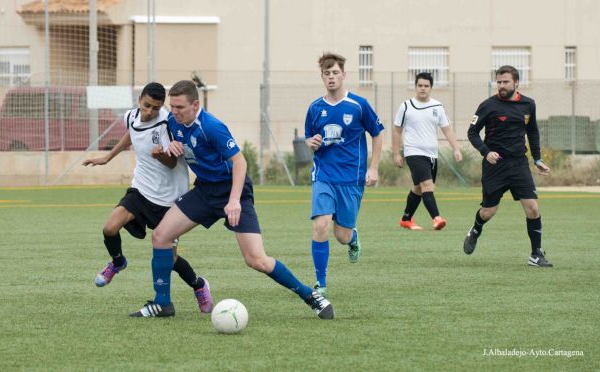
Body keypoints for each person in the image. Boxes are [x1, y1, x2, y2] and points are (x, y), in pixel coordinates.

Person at [130, 80, 334, 319]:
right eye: (172, 106)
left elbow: (240, 162)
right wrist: (171, 148)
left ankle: (311, 296)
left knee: (256, 259)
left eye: (180, 107)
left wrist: (234, 200)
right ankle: (162, 303)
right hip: (205, 191)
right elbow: (146, 138)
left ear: (195, 105)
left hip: (233, 191)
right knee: (161, 236)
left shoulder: (212, 126)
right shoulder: (174, 123)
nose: (173, 112)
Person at [83, 82, 213, 313]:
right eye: (146, 106)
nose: (150, 112)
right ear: (139, 99)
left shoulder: (167, 123)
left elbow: (173, 162)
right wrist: (107, 157)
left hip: (171, 199)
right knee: (110, 228)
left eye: (155, 107)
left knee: (170, 260)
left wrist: (160, 155)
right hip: (141, 191)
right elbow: (131, 134)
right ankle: (118, 262)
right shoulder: (131, 116)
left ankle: (198, 285)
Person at [304, 52, 384, 297]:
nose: (331, 77)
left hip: (351, 177)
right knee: (321, 225)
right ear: (322, 77)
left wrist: (374, 168)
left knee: (341, 235)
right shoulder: (315, 108)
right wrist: (312, 142)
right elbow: (309, 138)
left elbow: (378, 133)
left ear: (343, 75)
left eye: (335, 73)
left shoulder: (358, 105)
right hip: (324, 174)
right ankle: (321, 284)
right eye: (327, 74)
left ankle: (352, 238)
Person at [464, 65, 553, 267]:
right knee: (488, 212)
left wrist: (537, 159)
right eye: (499, 82)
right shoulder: (488, 105)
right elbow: (471, 132)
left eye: (505, 82)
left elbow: (533, 132)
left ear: (516, 82)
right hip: (495, 166)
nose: (501, 86)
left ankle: (536, 254)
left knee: (532, 208)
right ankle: (476, 229)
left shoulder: (529, 105)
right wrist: (486, 152)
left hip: (519, 164)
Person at [392, 72, 462, 231]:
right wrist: (397, 154)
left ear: (431, 87)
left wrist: (456, 148)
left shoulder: (437, 106)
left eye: (426, 86)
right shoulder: (406, 106)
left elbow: (448, 130)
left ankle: (406, 218)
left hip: (432, 154)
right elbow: (396, 131)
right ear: (415, 86)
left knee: (418, 188)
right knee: (427, 185)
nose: (423, 89)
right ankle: (437, 219)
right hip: (413, 152)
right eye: (420, 85)